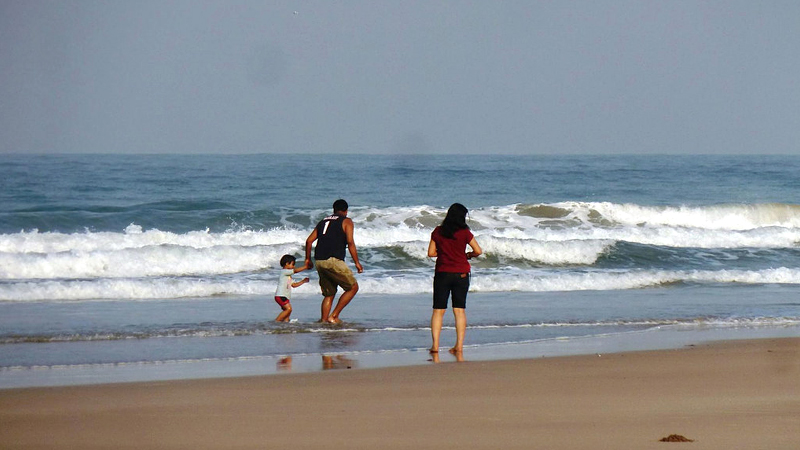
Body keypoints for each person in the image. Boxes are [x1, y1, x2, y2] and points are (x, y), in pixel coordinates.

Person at [427, 203, 482, 355]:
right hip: (461, 273)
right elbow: (478, 251)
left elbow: (431, 253)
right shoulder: (465, 232)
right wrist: (467, 255)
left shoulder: (438, 231)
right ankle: (459, 346)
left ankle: (435, 346)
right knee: (459, 310)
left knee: (438, 311)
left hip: (443, 273)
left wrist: (444, 252)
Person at [305, 199, 364, 324]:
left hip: (320, 261)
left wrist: (308, 259)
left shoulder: (323, 221)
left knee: (329, 293)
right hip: (333, 261)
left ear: (334, 209)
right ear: (346, 211)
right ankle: (334, 316)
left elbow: (309, 241)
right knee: (353, 288)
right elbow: (350, 242)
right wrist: (357, 263)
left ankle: (324, 320)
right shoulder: (347, 221)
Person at [274, 254, 310, 322]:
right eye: (293, 264)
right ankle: (276, 322)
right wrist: (305, 267)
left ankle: (286, 323)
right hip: (281, 295)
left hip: (284, 296)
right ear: (287, 264)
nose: (294, 266)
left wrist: (303, 281)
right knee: (289, 309)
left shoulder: (288, 276)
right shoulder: (284, 272)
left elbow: (293, 285)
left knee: (287, 312)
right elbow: (295, 271)